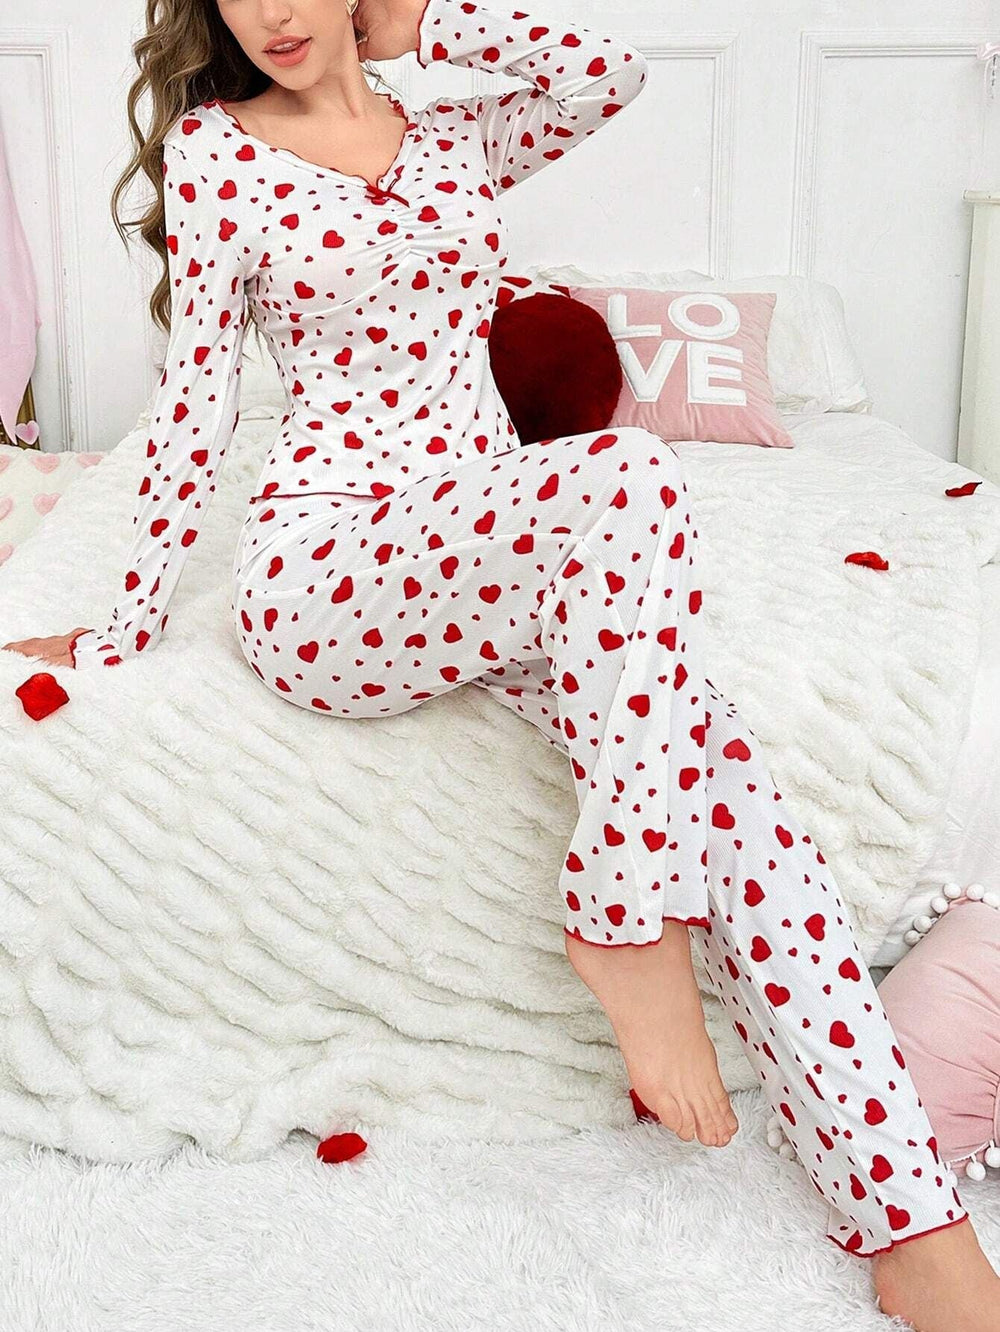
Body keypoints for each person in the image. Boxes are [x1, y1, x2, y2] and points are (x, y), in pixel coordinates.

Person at [5, 1, 998, 1324]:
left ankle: (909, 1215)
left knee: (717, 768)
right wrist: (124, 622)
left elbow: (610, 71)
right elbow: (195, 405)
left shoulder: (454, 128)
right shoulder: (218, 150)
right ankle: (624, 917)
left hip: (489, 550)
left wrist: (422, 20)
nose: (275, 11)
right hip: (329, 573)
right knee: (623, 476)